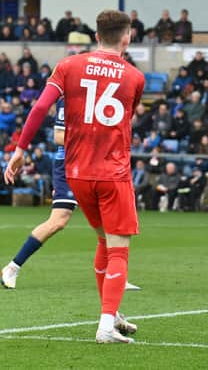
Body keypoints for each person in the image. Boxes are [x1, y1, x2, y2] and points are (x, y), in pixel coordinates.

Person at [4, 9, 145, 344]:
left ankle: (110, 314)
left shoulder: (69, 66)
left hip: (77, 171)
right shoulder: (135, 77)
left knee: (101, 240)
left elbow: (39, 108)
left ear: (96, 36)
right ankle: (106, 325)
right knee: (119, 248)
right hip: (113, 171)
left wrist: (20, 149)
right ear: (126, 37)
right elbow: (127, 117)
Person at [1, 100, 141, 292]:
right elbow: (59, 136)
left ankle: (116, 275)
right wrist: (94, 137)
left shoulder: (99, 96)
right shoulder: (69, 98)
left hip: (95, 166)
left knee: (110, 221)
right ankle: (12, 267)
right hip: (69, 165)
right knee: (58, 221)